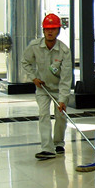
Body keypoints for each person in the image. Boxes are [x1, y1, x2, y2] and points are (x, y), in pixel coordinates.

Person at [22, 13, 73, 160]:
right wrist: (34, 78)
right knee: (44, 114)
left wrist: (62, 99)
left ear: (58, 31)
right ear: (43, 30)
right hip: (43, 88)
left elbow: (66, 78)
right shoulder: (34, 46)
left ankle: (58, 143)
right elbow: (25, 62)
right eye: (47, 29)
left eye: (53, 29)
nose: (50, 32)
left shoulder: (64, 51)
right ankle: (47, 148)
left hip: (59, 89)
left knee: (60, 116)